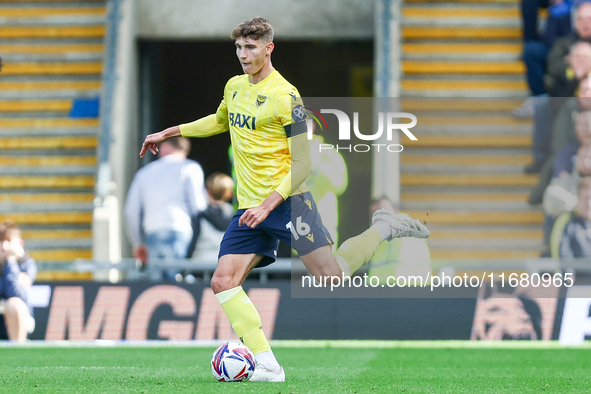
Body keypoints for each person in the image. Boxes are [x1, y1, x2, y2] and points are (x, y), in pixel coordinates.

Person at [139, 17, 429, 382]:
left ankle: (384, 227)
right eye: (239, 48)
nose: (243, 55)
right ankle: (268, 365)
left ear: (268, 48)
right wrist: (170, 131)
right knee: (223, 281)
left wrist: (268, 204)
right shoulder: (234, 86)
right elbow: (219, 120)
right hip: (250, 208)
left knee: (331, 277)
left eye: (250, 48)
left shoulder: (286, 96)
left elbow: (304, 163)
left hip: (287, 203)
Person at [125, 136, 207, 281]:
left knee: (157, 285)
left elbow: (131, 211)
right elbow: (199, 207)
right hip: (180, 230)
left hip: (152, 233)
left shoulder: (144, 172)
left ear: (165, 147)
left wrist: (138, 243)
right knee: (180, 281)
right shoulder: (190, 168)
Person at [367, 198, 431, 284]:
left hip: (405, 289)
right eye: (374, 214)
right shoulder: (375, 236)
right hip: (382, 289)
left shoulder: (407, 231)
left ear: (396, 212)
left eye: (383, 212)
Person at [0, 220, 37, 342]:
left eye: (9, 241)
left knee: (14, 304)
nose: (4, 246)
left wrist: (10, 263)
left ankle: (18, 349)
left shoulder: (27, 264)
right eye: (1, 241)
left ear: (19, 243)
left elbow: (16, 294)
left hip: (18, 318)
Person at [187, 172, 235, 264]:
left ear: (207, 191)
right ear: (229, 193)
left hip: (203, 263)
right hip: (226, 262)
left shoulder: (201, 216)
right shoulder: (235, 216)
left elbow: (193, 243)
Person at [550, 175, 591, 257]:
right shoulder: (567, 222)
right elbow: (563, 257)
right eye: (585, 198)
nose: (588, 203)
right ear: (578, 198)